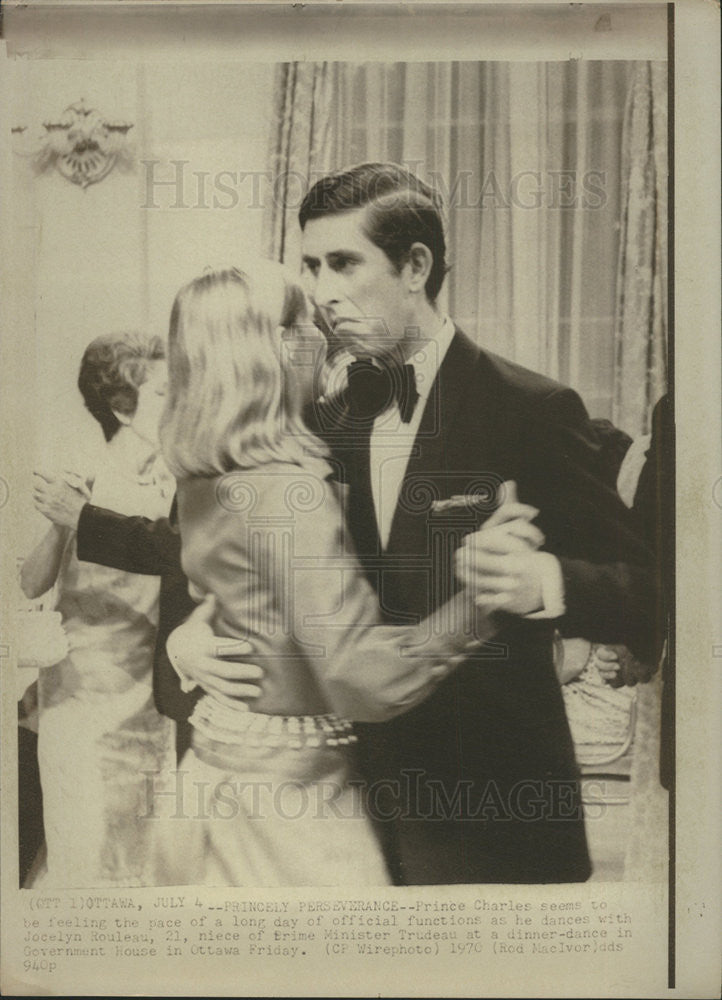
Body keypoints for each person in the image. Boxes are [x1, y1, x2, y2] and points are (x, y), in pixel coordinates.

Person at [34, 162, 656, 885]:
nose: (324, 294)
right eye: (310, 267)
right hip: (339, 808)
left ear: (415, 266)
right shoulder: (315, 422)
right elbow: (216, 552)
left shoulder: (530, 409)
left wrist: (545, 580)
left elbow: (648, 592)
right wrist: (188, 637)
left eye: (343, 264)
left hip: (488, 817)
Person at [147, 261, 516, 886]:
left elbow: (235, 596)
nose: (323, 332)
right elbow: (360, 677)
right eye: (302, 321)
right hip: (293, 805)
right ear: (263, 352)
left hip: (213, 771)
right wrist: (484, 599)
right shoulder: (286, 491)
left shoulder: (204, 477)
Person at [21, 332, 175, 888]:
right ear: (120, 407)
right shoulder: (82, 475)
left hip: (150, 705)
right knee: (85, 859)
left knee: (142, 863)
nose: (177, 401)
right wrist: (64, 520)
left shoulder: (174, 481)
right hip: (83, 701)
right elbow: (31, 583)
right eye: (162, 392)